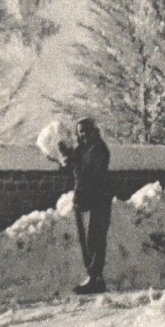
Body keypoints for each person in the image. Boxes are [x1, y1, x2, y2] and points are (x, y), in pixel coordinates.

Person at [58, 117, 113, 294]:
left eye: (86, 131)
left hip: (98, 198)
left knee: (95, 238)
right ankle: (94, 276)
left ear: (93, 131)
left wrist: (73, 162)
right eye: (80, 132)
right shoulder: (83, 149)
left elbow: (87, 173)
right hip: (84, 199)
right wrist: (65, 156)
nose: (83, 135)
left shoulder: (98, 149)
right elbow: (70, 167)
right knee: (86, 240)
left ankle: (96, 277)